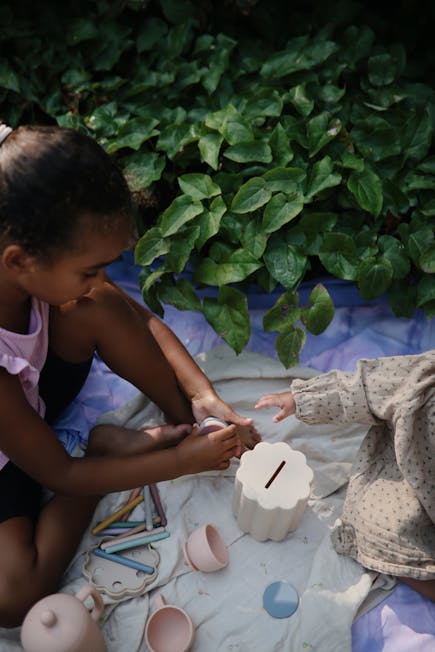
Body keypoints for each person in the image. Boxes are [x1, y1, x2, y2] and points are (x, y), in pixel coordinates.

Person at [0, 122, 260, 627]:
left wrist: (200, 393)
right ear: (19, 261)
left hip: (31, 389)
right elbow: (59, 473)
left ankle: (190, 422)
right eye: (89, 270)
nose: (101, 280)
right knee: (13, 597)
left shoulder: (19, 215)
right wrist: (178, 463)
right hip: (11, 448)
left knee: (96, 306)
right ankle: (106, 453)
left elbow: (130, 312)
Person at [255, 352, 435, 602]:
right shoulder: (425, 380)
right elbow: (368, 386)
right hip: (403, 486)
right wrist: (300, 400)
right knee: (381, 529)